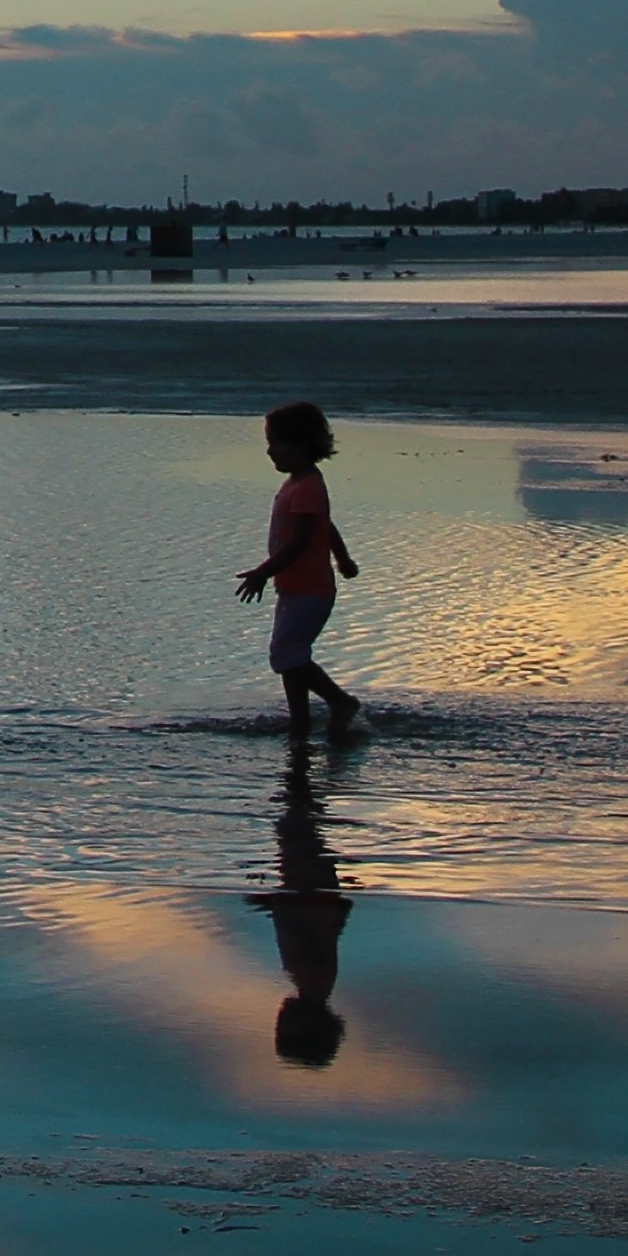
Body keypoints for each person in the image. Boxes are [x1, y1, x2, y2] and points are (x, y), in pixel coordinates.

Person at [233, 397, 365, 735]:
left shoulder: (307, 487)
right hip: (295, 587)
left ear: (301, 445)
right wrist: (344, 557)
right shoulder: (298, 483)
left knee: (286, 653)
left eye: (276, 443)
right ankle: (301, 721)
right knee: (290, 656)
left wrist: (263, 572)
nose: (270, 451)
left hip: (311, 590)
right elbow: (326, 526)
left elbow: (303, 540)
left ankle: (340, 701)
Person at [255, 744, 351, 1067]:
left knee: (296, 817)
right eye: (284, 1027)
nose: (279, 1019)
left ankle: (302, 754)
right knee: (295, 817)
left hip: (309, 885)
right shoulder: (312, 978)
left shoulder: (315, 982)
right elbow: (311, 928)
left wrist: (272, 906)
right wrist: (279, 904)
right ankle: (303, 751)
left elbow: (327, 925)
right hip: (308, 881)